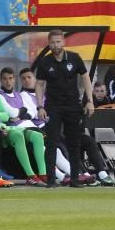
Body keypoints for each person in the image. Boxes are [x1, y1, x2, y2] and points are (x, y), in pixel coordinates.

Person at [35, 29, 95, 188]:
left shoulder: (74, 58)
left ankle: (75, 179)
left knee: (74, 143)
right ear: (48, 44)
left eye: (58, 42)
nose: (56, 45)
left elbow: (86, 78)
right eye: (52, 42)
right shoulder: (45, 62)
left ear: (63, 42)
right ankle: (51, 180)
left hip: (73, 106)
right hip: (53, 107)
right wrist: (40, 106)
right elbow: (39, 85)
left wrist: (89, 100)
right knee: (51, 143)